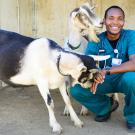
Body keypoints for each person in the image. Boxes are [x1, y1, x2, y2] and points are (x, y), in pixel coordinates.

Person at [70, 5, 135, 132]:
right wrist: (95, 75)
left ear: (123, 22)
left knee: (133, 79)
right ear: (104, 21)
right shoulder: (96, 39)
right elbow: (89, 63)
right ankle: (105, 107)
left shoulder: (131, 36)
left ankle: (132, 117)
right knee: (75, 89)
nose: (115, 22)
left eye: (119, 19)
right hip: (103, 80)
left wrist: (106, 70)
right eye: (111, 18)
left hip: (124, 78)